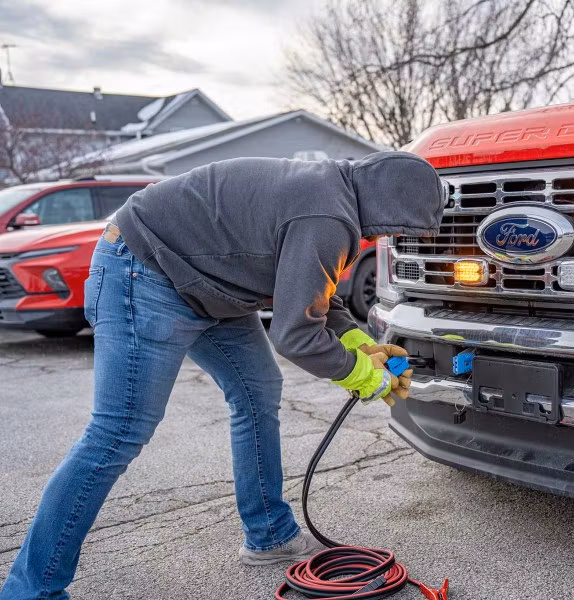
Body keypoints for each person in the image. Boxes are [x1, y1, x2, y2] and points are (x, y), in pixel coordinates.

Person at [0, 151, 445, 599]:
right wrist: (363, 376)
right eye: (396, 228)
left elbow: (312, 293)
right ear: (389, 205)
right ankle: (30, 591)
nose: (386, 236)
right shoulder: (328, 217)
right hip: (143, 267)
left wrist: (358, 344)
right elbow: (294, 335)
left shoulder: (332, 194)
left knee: (257, 392)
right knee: (117, 432)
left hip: (210, 284)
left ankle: (269, 535)